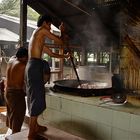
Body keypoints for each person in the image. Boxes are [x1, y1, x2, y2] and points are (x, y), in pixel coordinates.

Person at [25, 14, 70, 139]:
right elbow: (60, 41)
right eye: (49, 24)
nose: (50, 28)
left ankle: (35, 126)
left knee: (34, 96)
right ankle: (31, 133)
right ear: (45, 23)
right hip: (34, 66)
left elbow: (51, 54)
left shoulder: (38, 38)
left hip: (32, 66)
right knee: (37, 97)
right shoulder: (41, 30)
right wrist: (61, 31)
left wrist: (65, 57)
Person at [4, 47, 28, 134]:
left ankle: (12, 134)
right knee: (18, 116)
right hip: (16, 94)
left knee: (12, 114)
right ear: (24, 57)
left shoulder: (11, 59)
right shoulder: (22, 65)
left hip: (7, 91)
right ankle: (15, 135)